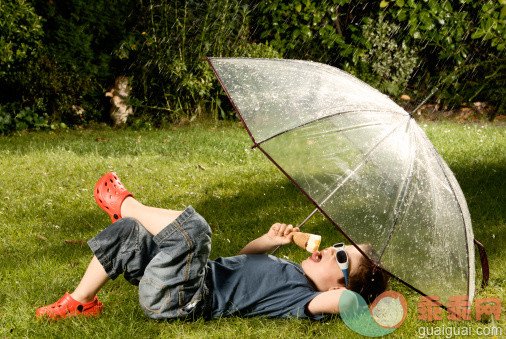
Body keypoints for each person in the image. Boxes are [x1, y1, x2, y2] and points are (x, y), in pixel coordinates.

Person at [36, 172, 389, 320]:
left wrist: (369, 303)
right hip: (179, 279)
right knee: (130, 232)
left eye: (341, 256)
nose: (331, 248)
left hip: (187, 297)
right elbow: (245, 259)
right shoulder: (291, 268)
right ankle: (80, 302)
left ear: (339, 284)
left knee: (196, 230)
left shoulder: (305, 297)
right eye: (338, 244)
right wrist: (268, 241)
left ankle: (125, 203)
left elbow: (348, 302)